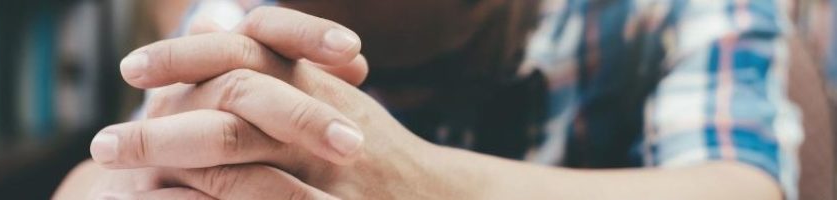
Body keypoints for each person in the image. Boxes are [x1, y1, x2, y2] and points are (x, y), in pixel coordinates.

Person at [55, 0, 803, 199]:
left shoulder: (675, 11)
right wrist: (133, 176)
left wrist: (413, 181)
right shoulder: (253, 17)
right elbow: (120, 162)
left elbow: (741, 185)